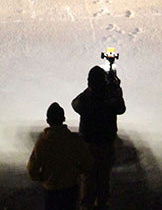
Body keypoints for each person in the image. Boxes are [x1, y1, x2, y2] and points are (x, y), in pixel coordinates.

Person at [71, 65, 125, 210]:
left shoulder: (85, 99)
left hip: (88, 145)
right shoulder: (110, 99)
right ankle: (102, 204)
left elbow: (75, 103)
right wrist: (115, 88)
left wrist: (91, 89)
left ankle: (87, 205)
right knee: (104, 178)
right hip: (106, 144)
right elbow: (121, 108)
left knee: (87, 178)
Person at [27, 102, 94, 210]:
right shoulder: (74, 140)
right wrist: (76, 172)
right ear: (63, 119)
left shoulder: (42, 143)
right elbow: (88, 163)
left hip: (50, 189)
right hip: (70, 187)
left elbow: (32, 169)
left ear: (48, 121)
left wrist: (42, 178)